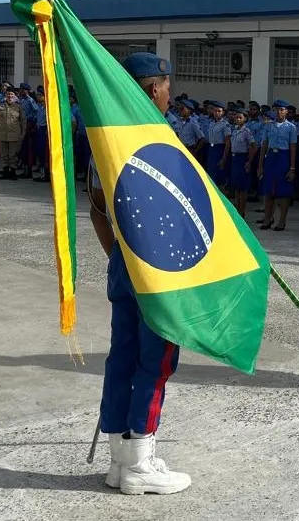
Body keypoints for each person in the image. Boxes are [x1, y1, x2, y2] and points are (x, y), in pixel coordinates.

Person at [85, 52, 191, 495]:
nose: (170, 96)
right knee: (155, 361)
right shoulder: (159, 138)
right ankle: (140, 464)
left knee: (122, 357)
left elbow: (96, 207)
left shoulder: (105, 138)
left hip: (123, 265)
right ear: (152, 90)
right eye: (167, 88)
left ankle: (120, 460)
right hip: (156, 271)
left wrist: (120, 257)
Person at [257, 100, 297, 231]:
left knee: (283, 192)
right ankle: (267, 218)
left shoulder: (291, 127)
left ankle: (282, 221)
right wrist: (260, 165)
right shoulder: (269, 126)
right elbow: (264, 145)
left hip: (283, 157)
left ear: (286, 111)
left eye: (282, 110)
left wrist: (292, 168)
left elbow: (293, 148)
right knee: (269, 190)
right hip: (271, 157)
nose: (279, 112)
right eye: (277, 110)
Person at [224, 109, 257, 219]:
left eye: (240, 118)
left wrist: (249, 161)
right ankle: (237, 210)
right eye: (236, 117)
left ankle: (242, 212)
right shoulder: (234, 130)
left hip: (242, 158)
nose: (238, 119)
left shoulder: (246, 131)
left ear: (245, 119)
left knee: (242, 188)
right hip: (234, 158)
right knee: (236, 187)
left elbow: (253, 146)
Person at [0, 90, 26, 180]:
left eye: (12, 94)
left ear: (14, 96)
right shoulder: (0, 106)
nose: (10, 96)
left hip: (14, 134)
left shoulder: (18, 107)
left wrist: (23, 133)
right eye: (8, 94)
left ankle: (13, 172)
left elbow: (23, 121)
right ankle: (5, 171)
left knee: (13, 155)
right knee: (4, 154)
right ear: (5, 96)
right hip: (2, 134)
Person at [205, 100, 230, 187]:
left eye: (219, 111)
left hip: (219, 149)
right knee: (210, 173)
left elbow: (227, 142)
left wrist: (224, 158)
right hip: (211, 149)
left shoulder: (225, 124)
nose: (217, 113)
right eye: (215, 111)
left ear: (223, 112)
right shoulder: (212, 123)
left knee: (219, 174)